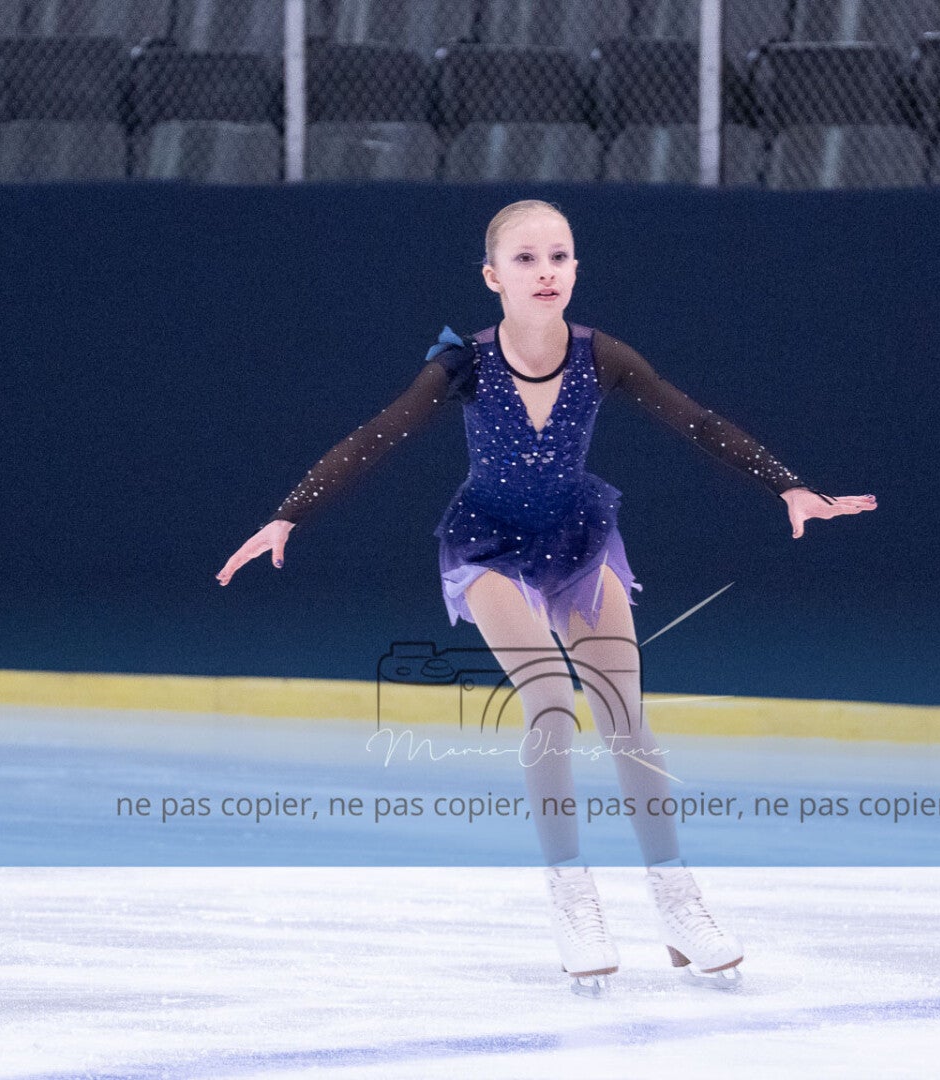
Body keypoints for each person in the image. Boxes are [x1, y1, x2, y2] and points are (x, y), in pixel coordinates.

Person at [217, 199, 876, 994]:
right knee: (552, 698)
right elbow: (376, 436)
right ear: (493, 277)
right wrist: (289, 513)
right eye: (525, 259)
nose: (545, 272)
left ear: (575, 269)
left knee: (624, 711)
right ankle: (572, 897)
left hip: (576, 539)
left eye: (558, 257)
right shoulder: (463, 363)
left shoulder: (604, 357)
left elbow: (697, 423)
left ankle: (677, 901)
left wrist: (789, 486)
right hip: (487, 544)